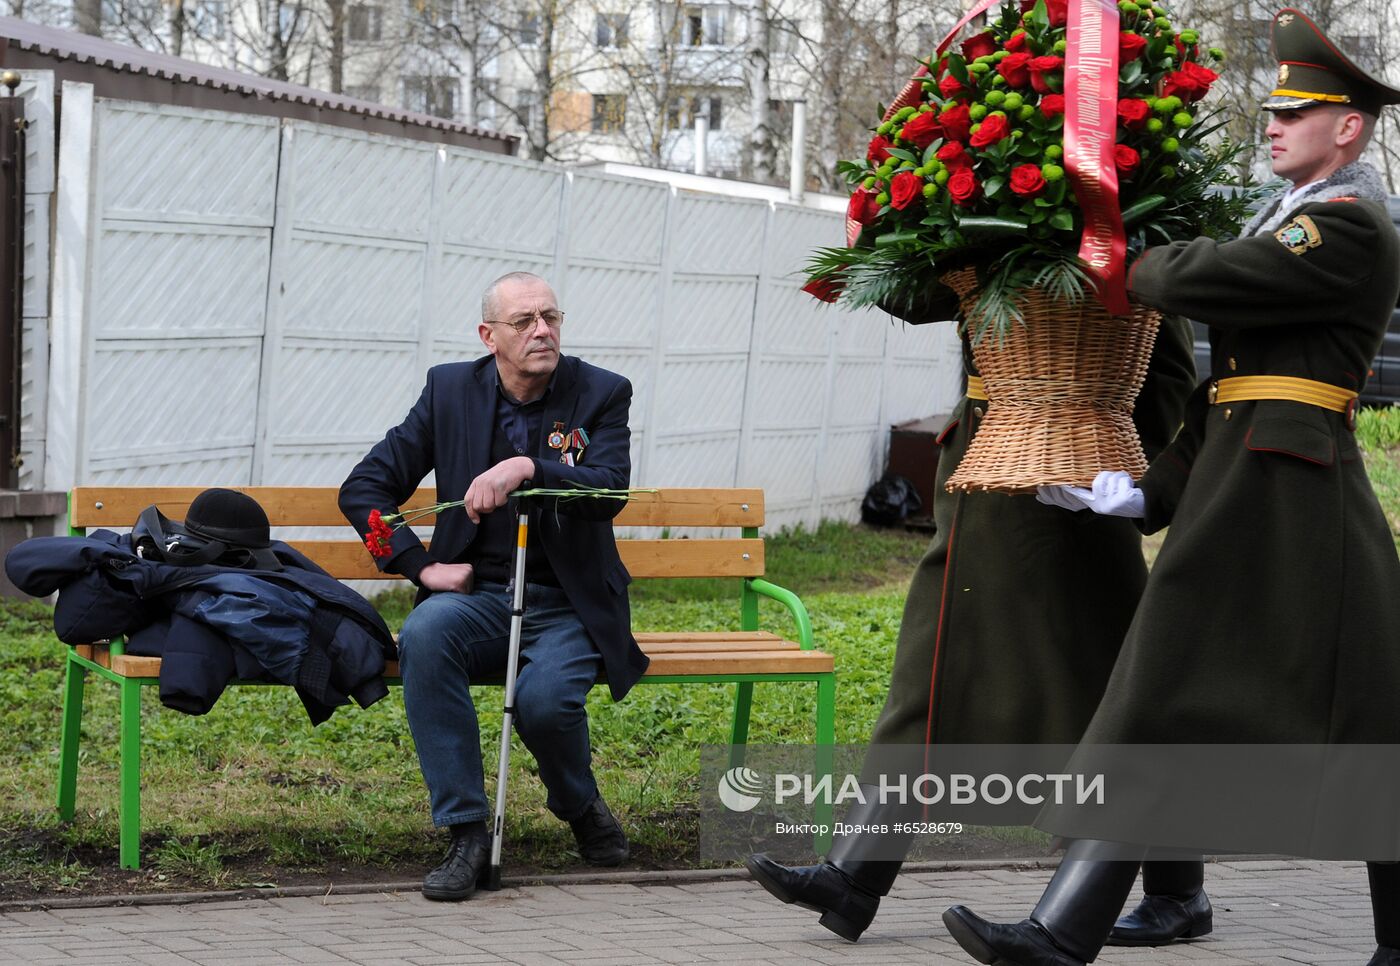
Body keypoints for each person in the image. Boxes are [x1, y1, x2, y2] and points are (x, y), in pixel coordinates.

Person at [942, 8, 1400, 965]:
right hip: (1248, 504)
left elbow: (1225, 275)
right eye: (1271, 112)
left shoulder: (1348, 228)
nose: (1272, 124)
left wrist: (1116, 255)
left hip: (1299, 515)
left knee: (1364, 738)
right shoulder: (1294, 218)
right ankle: (1063, 933)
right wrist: (1139, 494)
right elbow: (1228, 400)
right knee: (1160, 703)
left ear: (1348, 127)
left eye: (1297, 113)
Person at [744, 299, 1200, 938]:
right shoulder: (997, 225)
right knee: (927, 682)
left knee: (1123, 695)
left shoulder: (1128, 230)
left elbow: (1169, 372)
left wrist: (1112, 469)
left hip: (1070, 497)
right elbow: (924, 289)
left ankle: (1180, 891)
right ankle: (852, 877)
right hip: (980, 479)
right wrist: (880, 227)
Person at [339, 271, 647, 902]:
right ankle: (466, 832)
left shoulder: (601, 393)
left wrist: (529, 467)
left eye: (551, 318)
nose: (542, 331)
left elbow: (610, 490)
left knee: (545, 704)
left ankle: (578, 802)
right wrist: (417, 566)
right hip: (479, 598)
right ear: (489, 336)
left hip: (568, 604)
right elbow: (362, 490)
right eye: (524, 322)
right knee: (425, 635)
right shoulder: (448, 391)